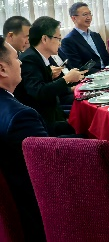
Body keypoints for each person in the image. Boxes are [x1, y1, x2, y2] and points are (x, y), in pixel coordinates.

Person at [0, 36, 48, 241]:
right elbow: (50, 170)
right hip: (38, 215)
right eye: (16, 58)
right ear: (2, 69)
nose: (20, 62)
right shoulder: (20, 116)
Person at [15, 16, 84, 136]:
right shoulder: (29, 59)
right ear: (45, 39)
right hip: (43, 126)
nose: (60, 43)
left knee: (87, 121)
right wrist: (67, 79)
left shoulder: (39, 57)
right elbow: (39, 92)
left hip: (54, 116)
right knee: (89, 131)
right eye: (58, 38)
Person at [59, 2, 109, 73]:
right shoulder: (68, 41)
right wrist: (102, 73)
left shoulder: (96, 35)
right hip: (91, 76)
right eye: (85, 14)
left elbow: (106, 58)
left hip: (108, 72)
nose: (89, 17)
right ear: (74, 18)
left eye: (90, 14)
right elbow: (77, 67)